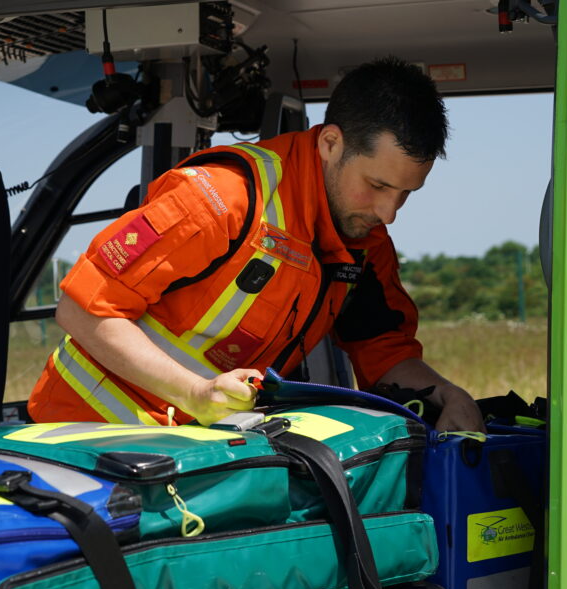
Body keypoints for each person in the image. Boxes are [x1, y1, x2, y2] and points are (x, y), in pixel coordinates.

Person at [28, 56, 484, 432]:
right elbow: (82, 309)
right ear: (330, 143)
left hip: (194, 449)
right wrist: (194, 393)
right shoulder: (221, 198)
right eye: (378, 185)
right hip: (80, 436)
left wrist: (448, 395)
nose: (389, 213)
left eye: (405, 193)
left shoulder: (365, 245)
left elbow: (384, 353)